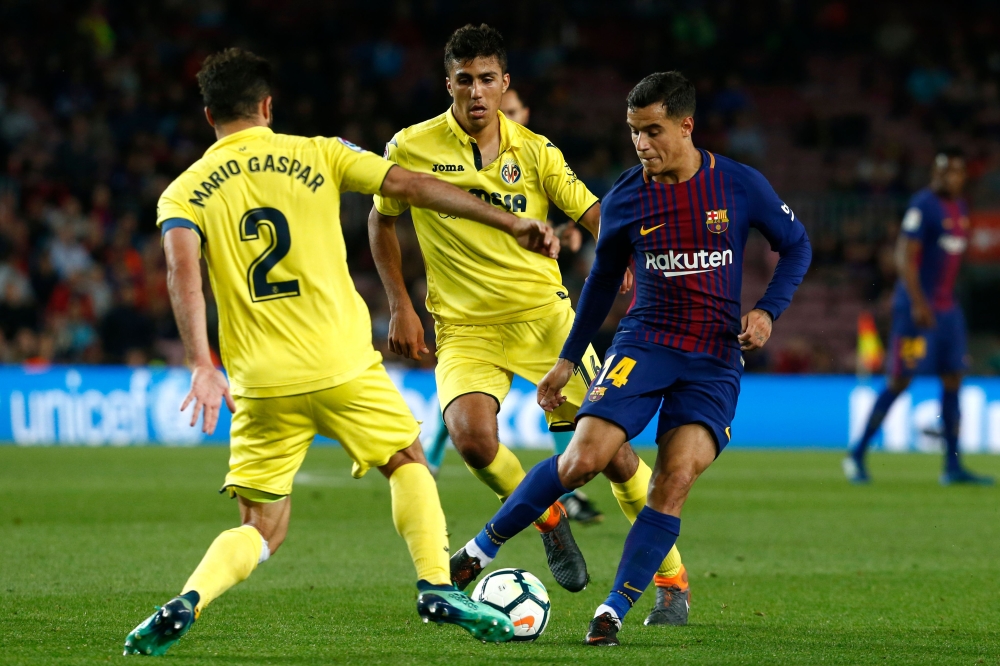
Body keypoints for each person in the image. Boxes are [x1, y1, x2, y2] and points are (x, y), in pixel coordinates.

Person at [123, 47, 562, 656]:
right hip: (340, 365)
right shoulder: (320, 152)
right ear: (268, 107)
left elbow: (181, 273)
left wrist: (202, 363)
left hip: (258, 382)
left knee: (261, 528)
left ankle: (190, 598)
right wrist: (508, 222)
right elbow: (413, 186)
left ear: (208, 117)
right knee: (407, 459)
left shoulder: (183, 191)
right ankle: (436, 584)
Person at [449, 71, 812, 646]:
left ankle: (614, 610)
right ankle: (478, 549)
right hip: (643, 344)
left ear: (686, 126)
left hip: (714, 358)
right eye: (634, 133)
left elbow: (797, 245)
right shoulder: (625, 196)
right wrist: (568, 360)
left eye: (652, 131)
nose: (642, 144)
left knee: (675, 478)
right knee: (581, 461)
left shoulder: (740, 186)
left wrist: (767, 310)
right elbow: (597, 286)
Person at [369, 25, 691, 620]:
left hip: (547, 324)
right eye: (464, 80)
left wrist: (620, 254)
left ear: (504, 83)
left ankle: (672, 582)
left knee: (615, 455)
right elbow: (381, 220)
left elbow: (593, 208)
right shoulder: (408, 147)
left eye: (487, 79)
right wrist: (399, 302)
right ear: (449, 84)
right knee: (470, 437)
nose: (476, 92)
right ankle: (549, 517)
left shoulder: (536, 151)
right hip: (464, 328)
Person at [423, 84, 602, 525]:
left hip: (537, 309)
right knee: (469, 420)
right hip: (471, 318)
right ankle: (551, 505)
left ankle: (565, 491)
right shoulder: (444, 154)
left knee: (595, 430)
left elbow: (565, 217)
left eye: (517, 108)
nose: (510, 114)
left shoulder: (536, 156)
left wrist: (568, 236)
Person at [844, 149, 993, 486]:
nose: (946, 178)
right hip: (916, 311)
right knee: (900, 380)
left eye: (953, 172)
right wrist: (918, 302)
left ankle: (952, 467)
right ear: (934, 174)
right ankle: (857, 455)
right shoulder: (923, 205)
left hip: (947, 311)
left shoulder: (960, 208)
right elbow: (904, 256)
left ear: (962, 176)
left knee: (954, 377)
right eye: (941, 171)